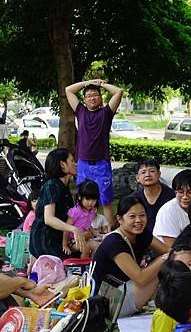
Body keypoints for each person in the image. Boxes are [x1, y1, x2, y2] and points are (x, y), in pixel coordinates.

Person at [92, 196, 170, 317]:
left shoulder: (140, 233)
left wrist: (169, 255)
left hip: (126, 288)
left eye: (142, 215)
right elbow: (141, 278)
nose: (138, 220)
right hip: (109, 302)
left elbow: (168, 250)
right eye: (132, 216)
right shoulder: (114, 242)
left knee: (170, 262)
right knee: (162, 267)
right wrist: (165, 258)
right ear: (120, 219)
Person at [65, 79, 124, 224]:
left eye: (95, 94)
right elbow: (69, 90)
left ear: (101, 97)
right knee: (82, 200)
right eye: (89, 95)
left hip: (101, 164)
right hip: (83, 164)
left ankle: (110, 235)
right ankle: (79, 230)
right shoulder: (81, 112)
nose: (92, 97)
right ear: (84, 100)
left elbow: (118, 92)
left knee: (105, 201)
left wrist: (101, 84)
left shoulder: (106, 113)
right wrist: (88, 82)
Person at [29, 148, 86, 259]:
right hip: (45, 240)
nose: (76, 164)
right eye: (72, 160)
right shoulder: (52, 186)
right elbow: (49, 219)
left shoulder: (64, 188)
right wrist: (73, 229)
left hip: (59, 239)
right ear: (62, 164)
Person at [154, 169, 191, 247]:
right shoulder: (168, 211)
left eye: (190, 192)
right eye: (180, 192)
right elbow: (172, 246)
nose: (185, 197)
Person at [131, 159, 175, 232]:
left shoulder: (172, 196)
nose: (147, 175)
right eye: (143, 172)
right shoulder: (133, 199)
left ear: (159, 174)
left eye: (152, 171)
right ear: (137, 178)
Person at [62, 180, 102, 258]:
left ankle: (92, 265)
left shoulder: (92, 210)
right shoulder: (75, 212)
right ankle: (83, 266)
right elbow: (65, 228)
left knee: (97, 246)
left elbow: (88, 225)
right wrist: (65, 245)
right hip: (72, 241)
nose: (90, 203)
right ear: (80, 197)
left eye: (93, 200)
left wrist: (97, 234)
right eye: (87, 199)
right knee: (86, 247)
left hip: (84, 238)